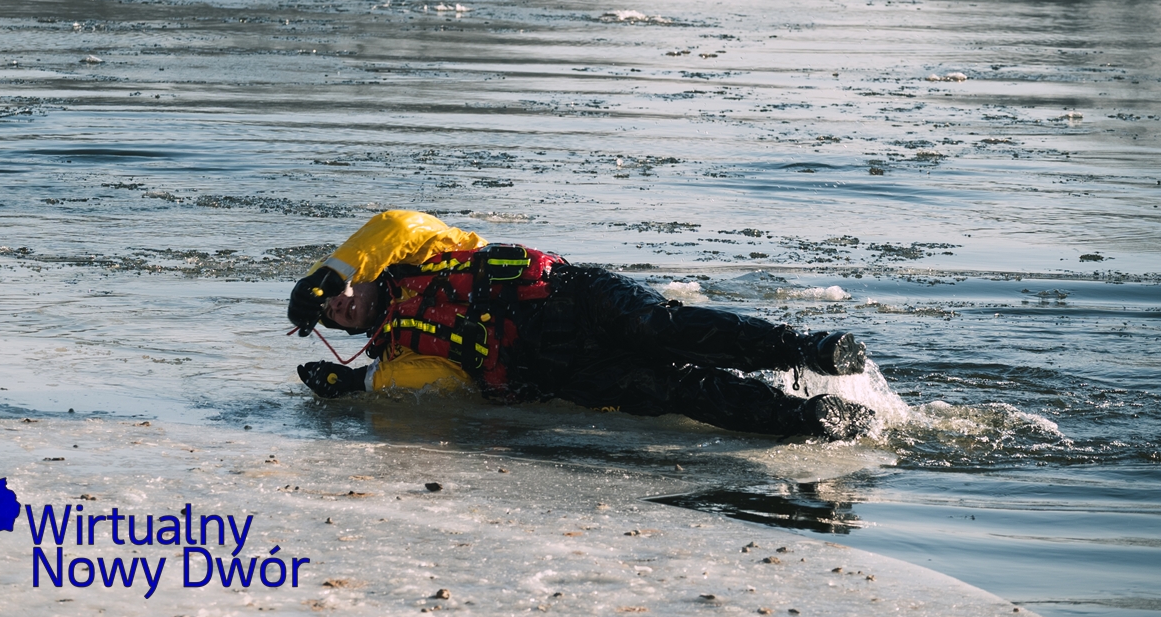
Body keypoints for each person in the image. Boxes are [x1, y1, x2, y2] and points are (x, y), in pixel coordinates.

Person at [287, 210, 876, 440]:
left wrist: (325, 273)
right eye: (332, 315)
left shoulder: (418, 250)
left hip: (570, 297)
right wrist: (360, 384)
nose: (338, 306)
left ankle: (808, 351)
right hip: (556, 369)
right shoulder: (396, 356)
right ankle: (806, 418)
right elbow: (439, 383)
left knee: (661, 327)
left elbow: (395, 222)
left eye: (337, 294)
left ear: (358, 274)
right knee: (674, 390)